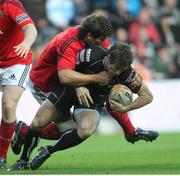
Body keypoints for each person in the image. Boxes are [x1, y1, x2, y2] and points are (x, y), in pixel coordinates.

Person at [9, 42, 158, 171]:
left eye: (121, 69)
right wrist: (78, 86)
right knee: (38, 122)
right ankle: (23, 159)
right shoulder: (90, 55)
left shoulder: (126, 73)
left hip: (91, 101)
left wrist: (127, 108)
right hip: (68, 90)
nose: (118, 72)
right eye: (116, 67)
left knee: (86, 129)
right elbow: (65, 71)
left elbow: (148, 96)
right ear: (108, 58)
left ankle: (48, 151)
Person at [0, 0, 37, 169]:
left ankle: (1, 156)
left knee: (8, 105)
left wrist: (26, 44)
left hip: (16, 61)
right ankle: (20, 132)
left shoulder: (10, 5)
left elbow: (30, 28)